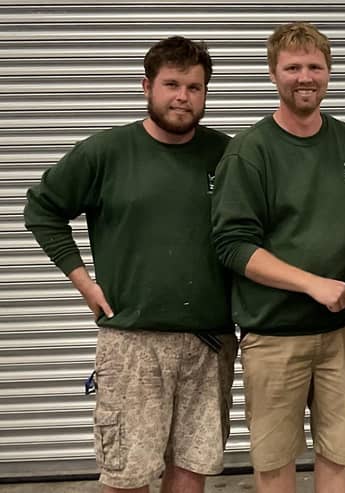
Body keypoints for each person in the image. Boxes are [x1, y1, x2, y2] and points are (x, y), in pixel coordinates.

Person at [23, 36, 237, 493]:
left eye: (195, 87)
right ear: (147, 86)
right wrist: (84, 284)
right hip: (133, 343)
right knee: (128, 475)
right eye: (172, 84)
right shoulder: (106, 153)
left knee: (193, 468)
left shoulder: (228, 155)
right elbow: (42, 208)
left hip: (210, 342)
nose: (183, 97)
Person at [211, 21, 345, 493]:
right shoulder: (250, 151)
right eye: (293, 67)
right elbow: (232, 244)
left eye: (315, 66)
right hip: (275, 335)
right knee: (275, 460)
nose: (305, 76)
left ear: (329, 73)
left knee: (340, 454)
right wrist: (312, 284)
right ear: (273, 74)